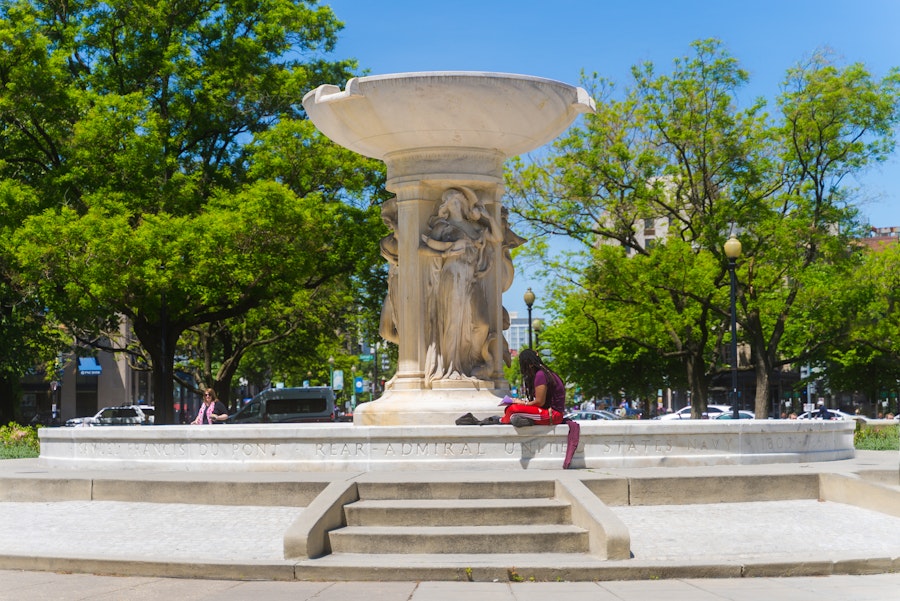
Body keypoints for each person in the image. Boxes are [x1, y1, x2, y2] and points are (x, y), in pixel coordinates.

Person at [420, 186, 501, 383]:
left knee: (481, 323)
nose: (458, 205)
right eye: (454, 202)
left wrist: (488, 217)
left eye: (460, 202)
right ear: (445, 207)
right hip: (452, 276)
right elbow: (422, 248)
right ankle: (452, 367)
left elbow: (497, 238)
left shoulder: (474, 228)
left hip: (471, 278)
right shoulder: (442, 227)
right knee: (452, 323)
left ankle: (471, 364)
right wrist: (445, 253)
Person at [501, 349, 565, 427]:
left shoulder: (540, 375)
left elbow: (539, 402)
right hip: (551, 413)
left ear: (529, 364)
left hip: (553, 415)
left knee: (512, 409)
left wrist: (523, 403)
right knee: (510, 409)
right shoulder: (545, 372)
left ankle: (501, 420)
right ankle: (519, 420)